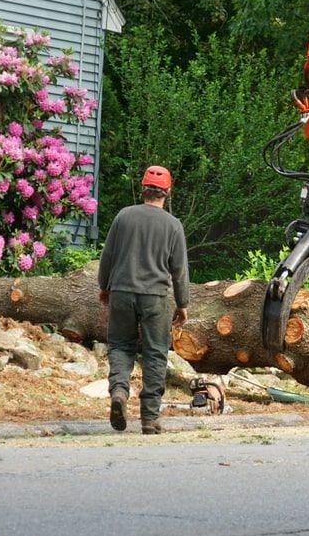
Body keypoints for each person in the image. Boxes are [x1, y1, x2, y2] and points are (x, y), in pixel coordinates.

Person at [98, 165, 189, 435]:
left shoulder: (123, 217)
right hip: (156, 297)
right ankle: (149, 419)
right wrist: (183, 304)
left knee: (120, 346)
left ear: (143, 189)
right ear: (168, 192)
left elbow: (108, 256)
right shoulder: (173, 225)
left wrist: (104, 286)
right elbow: (180, 269)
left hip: (122, 293)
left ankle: (119, 392)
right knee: (155, 353)